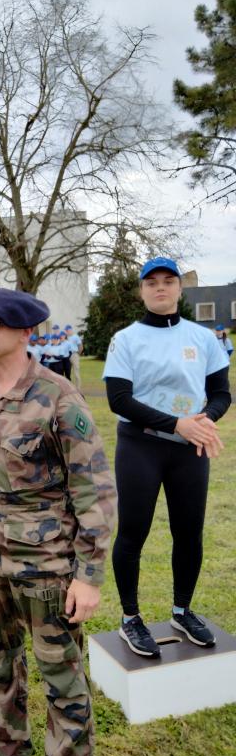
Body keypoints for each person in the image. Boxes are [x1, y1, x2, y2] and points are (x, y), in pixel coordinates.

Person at [0, 288, 116, 756]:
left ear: (24, 332)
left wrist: (90, 575)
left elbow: (94, 490)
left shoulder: (58, 396)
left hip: (45, 566)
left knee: (61, 676)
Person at [103, 257, 231, 658]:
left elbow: (222, 394)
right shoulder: (126, 339)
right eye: (152, 282)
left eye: (168, 281)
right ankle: (130, 618)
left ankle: (182, 610)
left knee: (189, 531)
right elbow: (119, 399)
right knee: (133, 532)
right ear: (141, 290)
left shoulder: (203, 338)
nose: (160, 287)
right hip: (140, 444)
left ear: (179, 288)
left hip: (189, 449)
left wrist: (204, 421)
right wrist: (179, 424)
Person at [65, 324, 84, 389]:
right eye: (66, 330)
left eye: (68, 330)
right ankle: (70, 387)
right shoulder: (66, 337)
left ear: (71, 330)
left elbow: (80, 346)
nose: (67, 331)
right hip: (67, 355)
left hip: (74, 355)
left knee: (76, 372)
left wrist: (78, 354)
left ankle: (78, 388)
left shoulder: (76, 336)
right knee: (68, 372)